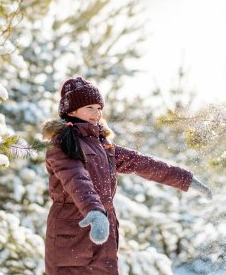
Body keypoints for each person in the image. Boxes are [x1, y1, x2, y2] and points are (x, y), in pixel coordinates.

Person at [42, 76, 212, 275]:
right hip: (71, 237)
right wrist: (94, 211)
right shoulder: (62, 144)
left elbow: (142, 163)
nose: (96, 113)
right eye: (90, 107)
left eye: (99, 108)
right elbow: (77, 180)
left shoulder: (103, 145)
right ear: (71, 110)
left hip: (104, 240)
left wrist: (185, 178)